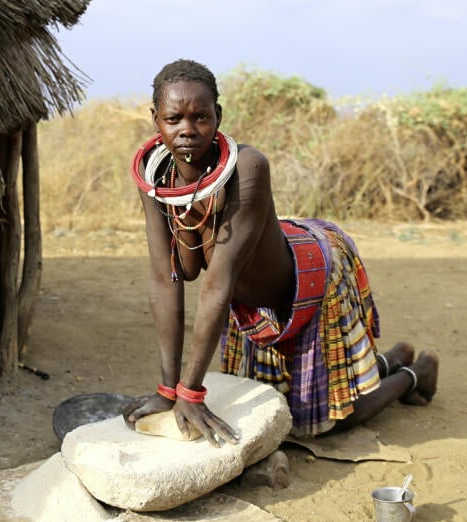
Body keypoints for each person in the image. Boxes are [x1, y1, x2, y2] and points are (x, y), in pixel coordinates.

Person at [123, 59, 439, 447]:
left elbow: (217, 282)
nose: (187, 130)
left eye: (200, 117)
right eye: (174, 119)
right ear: (155, 119)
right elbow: (166, 277)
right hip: (249, 306)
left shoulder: (247, 168)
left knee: (320, 424)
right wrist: (167, 390)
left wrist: (190, 392)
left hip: (311, 282)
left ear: (218, 116)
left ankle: (414, 374)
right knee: (280, 405)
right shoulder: (154, 178)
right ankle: (391, 358)